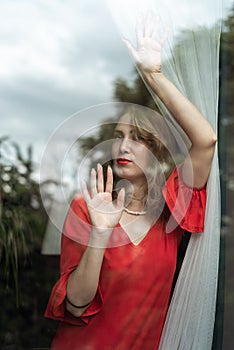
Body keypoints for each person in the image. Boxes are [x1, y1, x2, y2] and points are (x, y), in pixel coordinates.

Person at [44, 15, 217, 350]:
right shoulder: (88, 206)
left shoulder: (170, 213)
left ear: (157, 151)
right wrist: (100, 232)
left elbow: (207, 140)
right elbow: (76, 305)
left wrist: (154, 76)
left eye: (137, 138)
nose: (122, 146)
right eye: (118, 136)